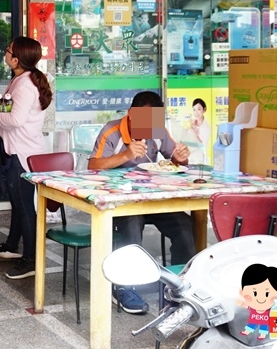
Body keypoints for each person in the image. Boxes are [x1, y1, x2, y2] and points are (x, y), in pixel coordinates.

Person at [88, 90, 195, 315]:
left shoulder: (158, 130)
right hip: (121, 202)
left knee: (184, 225)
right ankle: (124, 286)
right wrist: (125, 155)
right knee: (131, 224)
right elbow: (93, 166)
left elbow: (172, 159)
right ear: (130, 114)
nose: (149, 127)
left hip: (151, 199)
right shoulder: (112, 131)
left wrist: (180, 157)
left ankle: (180, 286)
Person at [0, 37, 52, 280]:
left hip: (23, 154)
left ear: (16, 59)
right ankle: (12, 246)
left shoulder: (25, 85)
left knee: (25, 208)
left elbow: (15, 119)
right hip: (19, 149)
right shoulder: (21, 79)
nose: (5, 53)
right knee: (18, 203)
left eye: (7, 51)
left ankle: (32, 259)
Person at [189, 98, 211, 163]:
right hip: (189, 158)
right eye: (194, 109)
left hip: (199, 161)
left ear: (204, 110)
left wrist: (193, 133)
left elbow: (202, 147)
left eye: (199, 109)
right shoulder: (191, 124)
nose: (196, 112)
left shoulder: (206, 128)